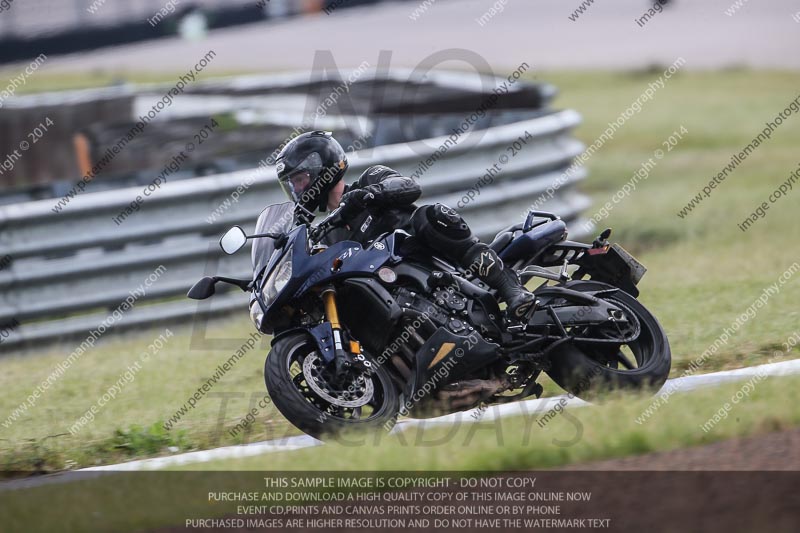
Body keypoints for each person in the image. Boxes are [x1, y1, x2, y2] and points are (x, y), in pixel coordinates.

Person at [274, 131, 535, 318]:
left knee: (430, 215)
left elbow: (410, 187)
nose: (297, 189)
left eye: (300, 179)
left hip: (435, 263)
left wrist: (371, 194)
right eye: (292, 184)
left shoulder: (370, 179)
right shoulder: (329, 238)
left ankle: (510, 287)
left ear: (323, 168)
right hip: (400, 294)